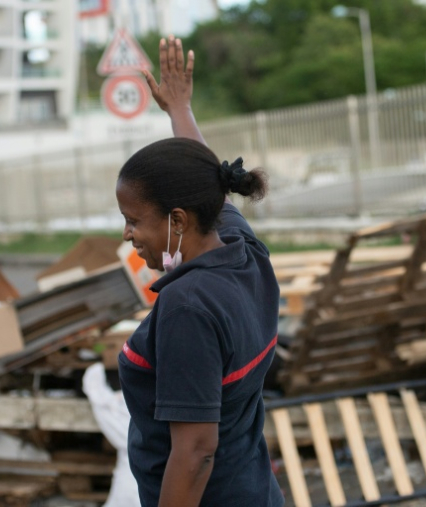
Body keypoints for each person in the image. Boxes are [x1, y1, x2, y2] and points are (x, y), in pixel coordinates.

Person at [116, 35, 284, 507]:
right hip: (255, 491)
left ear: (177, 220)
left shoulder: (188, 306)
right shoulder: (244, 251)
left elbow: (195, 452)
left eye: (133, 220)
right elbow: (209, 182)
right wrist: (179, 111)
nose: (127, 234)